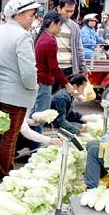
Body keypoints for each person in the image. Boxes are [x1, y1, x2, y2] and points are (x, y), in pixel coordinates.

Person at [0, 0, 40, 180]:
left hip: (0, 91)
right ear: (18, 15)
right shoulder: (22, 36)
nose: (33, 18)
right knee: (10, 137)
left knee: (2, 135)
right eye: (30, 15)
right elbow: (28, 71)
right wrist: (32, 86)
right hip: (16, 93)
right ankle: (5, 175)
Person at [28, 11, 75, 149]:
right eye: (59, 25)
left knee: (34, 115)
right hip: (44, 82)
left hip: (39, 80)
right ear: (53, 24)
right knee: (40, 118)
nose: (60, 28)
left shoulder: (43, 36)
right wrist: (67, 84)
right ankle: (35, 147)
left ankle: (31, 144)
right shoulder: (49, 41)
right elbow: (54, 67)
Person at [54, 0, 89, 86]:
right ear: (59, 8)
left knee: (67, 96)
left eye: (72, 11)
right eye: (67, 11)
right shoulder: (50, 24)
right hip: (53, 68)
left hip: (69, 68)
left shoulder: (74, 27)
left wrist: (83, 67)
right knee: (51, 97)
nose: (69, 14)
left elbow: (79, 48)